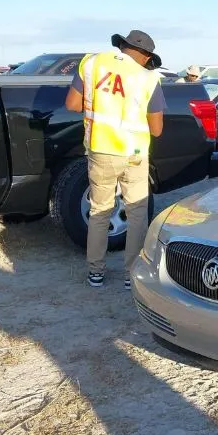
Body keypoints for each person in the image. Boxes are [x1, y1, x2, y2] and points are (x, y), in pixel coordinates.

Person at [64, 30, 166, 290]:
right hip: (134, 155)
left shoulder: (92, 63)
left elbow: (72, 105)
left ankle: (96, 272)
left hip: (101, 150)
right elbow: (156, 129)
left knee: (99, 211)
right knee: (137, 214)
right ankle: (131, 274)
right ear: (144, 56)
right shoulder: (148, 78)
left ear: (122, 46)